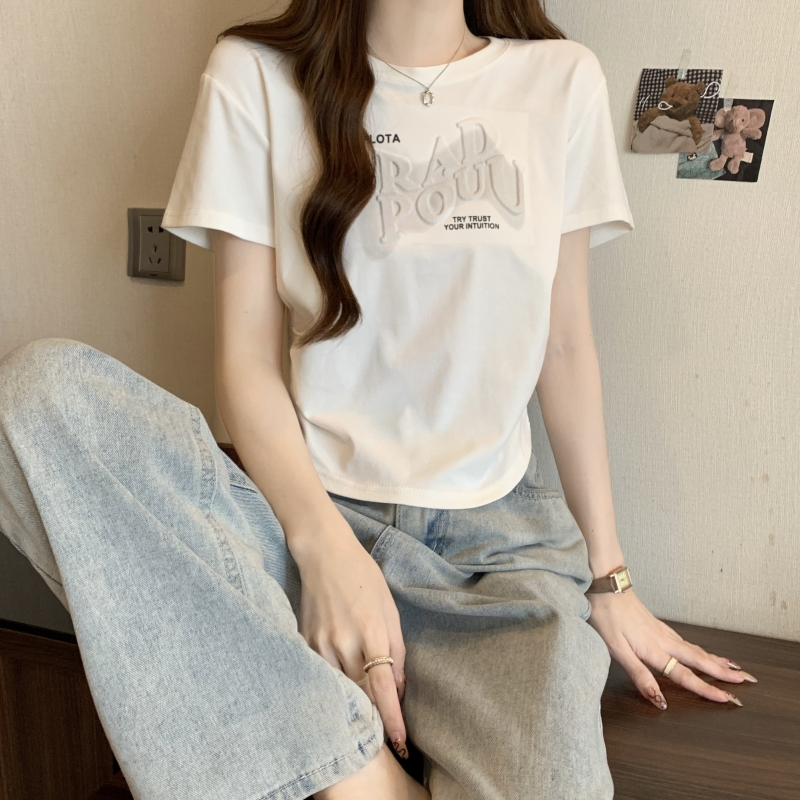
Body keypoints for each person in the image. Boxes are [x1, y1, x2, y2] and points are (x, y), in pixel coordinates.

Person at [0, 1, 757, 798]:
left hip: (495, 559)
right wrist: (325, 551)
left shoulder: (561, 80)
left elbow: (564, 346)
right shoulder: (253, 75)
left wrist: (610, 580)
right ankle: (360, 774)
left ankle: (314, 747)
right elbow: (246, 365)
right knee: (37, 397)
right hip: (303, 520)